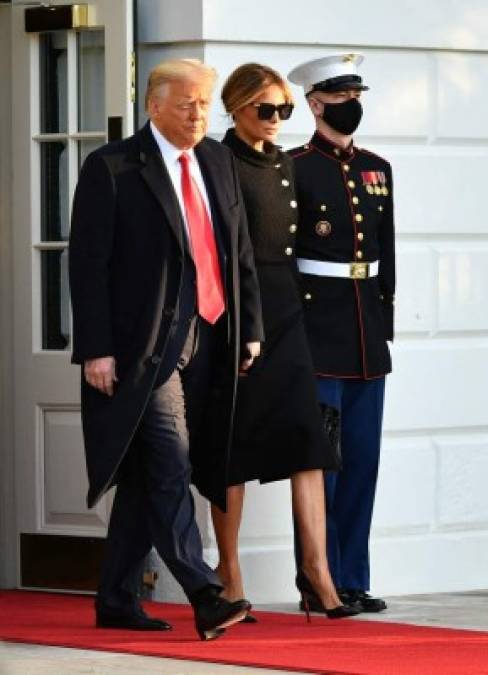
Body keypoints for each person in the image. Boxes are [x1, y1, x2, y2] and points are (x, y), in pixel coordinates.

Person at [68, 58, 264, 641]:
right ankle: (205, 591)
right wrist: (96, 349)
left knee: (148, 472)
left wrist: (249, 326)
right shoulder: (112, 167)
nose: (199, 113)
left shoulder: (218, 160)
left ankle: (116, 597)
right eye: (187, 104)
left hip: (210, 340)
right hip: (142, 350)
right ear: (153, 106)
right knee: (171, 459)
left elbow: (239, 250)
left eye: (205, 104)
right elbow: (86, 265)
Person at [210, 63, 359, 622]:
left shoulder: (283, 162)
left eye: (284, 111)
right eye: (264, 110)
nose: (275, 121)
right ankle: (230, 576)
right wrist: (240, 327)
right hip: (237, 314)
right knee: (235, 448)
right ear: (236, 108)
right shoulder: (217, 160)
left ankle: (318, 575)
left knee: (308, 442)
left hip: (289, 309)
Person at [287, 53, 395, 613]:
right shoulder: (294, 167)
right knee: (320, 464)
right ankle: (319, 580)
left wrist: (385, 325)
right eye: (340, 98)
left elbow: (386, 254)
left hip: (364, 337)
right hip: (316, 334)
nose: (352, 106)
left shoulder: (378, 168)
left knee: (361, 462)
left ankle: (353, 577)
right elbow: (282, 261)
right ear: (314, 103)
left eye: (357, 97)